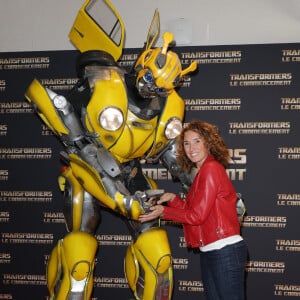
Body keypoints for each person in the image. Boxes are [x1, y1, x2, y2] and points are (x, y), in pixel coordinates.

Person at [139, 120, 248, 300]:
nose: (191, 148)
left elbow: (196, 216)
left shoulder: (211, 169)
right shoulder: (202, 172)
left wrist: (163, 212)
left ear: (208, 143)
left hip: (225, 250)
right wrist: (172, 199)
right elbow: (194, 211)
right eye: (186, 143)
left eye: (197, 141)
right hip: (212, 251)